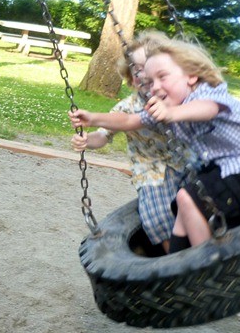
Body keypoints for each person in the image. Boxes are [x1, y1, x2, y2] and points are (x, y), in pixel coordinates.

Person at [70, 31, 240, 252]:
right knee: (178, 207)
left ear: (191, 76)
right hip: (192, 171)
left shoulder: (205, 94)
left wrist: (171, 114)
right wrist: (93, 118)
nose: (154, 86)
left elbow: (207, 109)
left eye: (162, 76)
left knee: (189, 198)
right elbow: (130, 119)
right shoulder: (155, 104)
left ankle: (208, 261)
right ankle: (177, 259)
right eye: (147, 79)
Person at [69, 36, 194, 253]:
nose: (143, 75)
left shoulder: (178, 98)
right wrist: (87, 140)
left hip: (186, 162)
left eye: (149, 67)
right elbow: (104, 135)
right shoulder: (126, 107)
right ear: (129, 77)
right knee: (157, 216)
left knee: (202, 200)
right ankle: (172, 257)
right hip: (151, 172)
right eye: (137, 70)